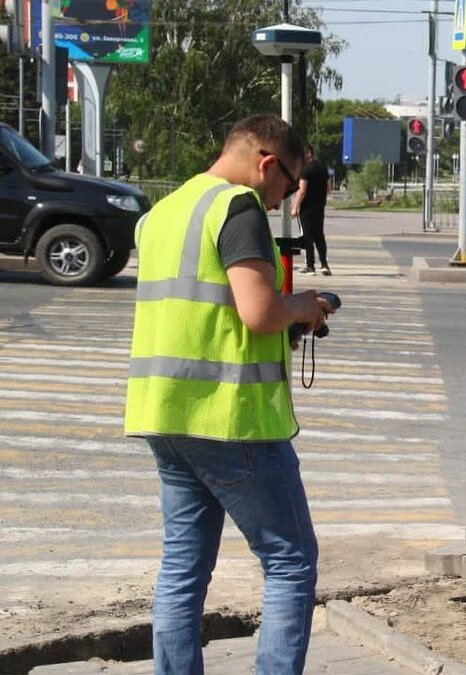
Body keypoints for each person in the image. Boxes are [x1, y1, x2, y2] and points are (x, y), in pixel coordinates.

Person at [124, 113, 337, 674]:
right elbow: (259, 312)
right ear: (267, 164)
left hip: (164, 413)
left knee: (182, 568)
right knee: (290, 562)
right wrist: (303, 306)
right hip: (230, 419)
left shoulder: (165, 210)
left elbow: (208, 315)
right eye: (287, 182)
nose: (282, 198)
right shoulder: (237, 207)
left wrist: (285, 326)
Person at [292, 144, 332, 275]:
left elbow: (302, 191)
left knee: (308, 236)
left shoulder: (305, 170)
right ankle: (324, 264)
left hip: (307, 208)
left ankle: (310, 266)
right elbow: (328, 189)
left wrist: (295, 207)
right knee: (319, 235)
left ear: (308, 153)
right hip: (319, 207)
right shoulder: (323, 168)